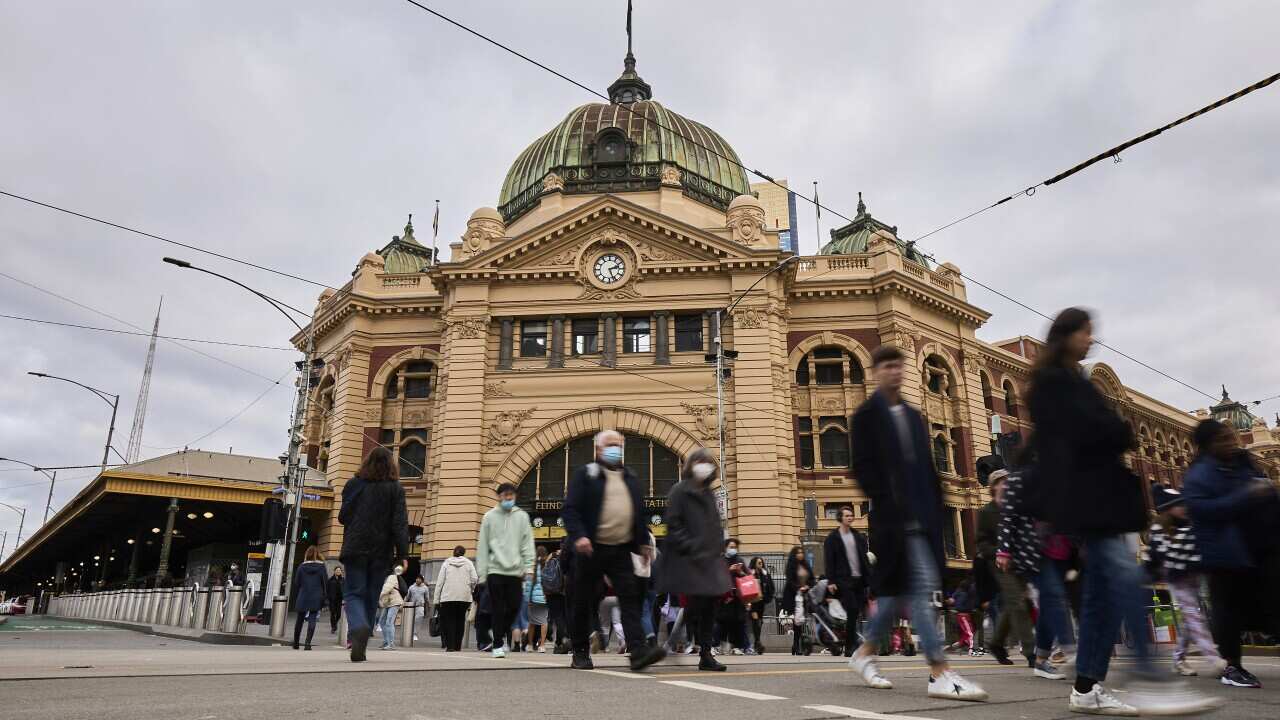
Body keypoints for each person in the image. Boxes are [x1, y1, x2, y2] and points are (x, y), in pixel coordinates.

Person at [1028, 308, 1216, 715]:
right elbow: (1088, 435)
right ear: (1067, 335)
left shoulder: (1071, 381)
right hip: (1089, 501)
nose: (1091, 340)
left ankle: (1085, 687)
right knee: (1127, 584)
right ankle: (1151, 679)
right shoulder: (1052, 383)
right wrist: (1114, 431)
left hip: (1100, 501)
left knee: (1100, 599)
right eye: (1085, 332)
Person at [847, 344, 987, 702]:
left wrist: (935, 510)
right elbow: (861, 467)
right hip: (895, 521)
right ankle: (939, 671)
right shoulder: (865, 416)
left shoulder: (913, 416)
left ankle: (864, 654)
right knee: (920, 592)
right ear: (875, 371)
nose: (895, 372)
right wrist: (890, 500)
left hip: (921, 518)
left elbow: (928, 468)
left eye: (899, 365)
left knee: (897, 596)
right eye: (888, 366)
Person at [1184, 419, 1280, 689]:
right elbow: (1203, 510)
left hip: (1259, 547)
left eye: (1231, 436)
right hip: (1222, 553)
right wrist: (1248, 495)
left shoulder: (1244, 462)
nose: (1230, 442)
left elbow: (1266, 495)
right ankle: (1232, 667)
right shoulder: (1198, 475)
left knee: (1270, 602)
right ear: (1207, 445)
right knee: (1229, 612)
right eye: (1222, 439)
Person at [562, 430, 666, 672]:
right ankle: (580, 651)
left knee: (631, 599)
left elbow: (637, 514)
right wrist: (579, 537)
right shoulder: (586, 475)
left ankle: (639, 652)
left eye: (619, 445)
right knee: (582, 601)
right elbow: (570, 510)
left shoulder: (630, 477)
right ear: (598, 449)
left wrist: (643, 543)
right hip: (590, 549)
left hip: (621, 549)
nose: (615, 449)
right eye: (610, 445)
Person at [654, 448, 733, 671]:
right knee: (694, 606)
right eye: (699, 461)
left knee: (707, 608)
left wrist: (718, 548)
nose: (703, 465)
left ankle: (705, 652)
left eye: (707, 462)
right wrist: (692, 547)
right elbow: (674, 525)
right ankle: (673, 645)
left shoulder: (708, 492)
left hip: (709, 560)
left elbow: (716, 525)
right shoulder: (679, 491)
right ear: (691, 465)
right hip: (689, 560)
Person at [1144, 486, 1226, 678]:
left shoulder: (1189, 524)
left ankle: (1178, 660)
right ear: (1167, 508)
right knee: (1195, 618)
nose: (1182, 507)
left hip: (1194, 577)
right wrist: (1149, 574)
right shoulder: (1159, 528)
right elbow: (1155, 556)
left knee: (1190, 621)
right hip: (1177, 579)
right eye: (1178, 505)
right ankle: (1214, 658)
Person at [338, 446, 409, 662]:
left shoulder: (354, 484)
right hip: (381, 550)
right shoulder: (396, 489)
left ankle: (357, 627)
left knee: (353, 593)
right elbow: (400, 524)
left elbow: (343, 516)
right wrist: (402, 553)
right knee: (371, 595)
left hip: (355, 547)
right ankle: (364, 634)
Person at [978, 470, 1036, 668]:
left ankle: (996, 643)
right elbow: (981, 542)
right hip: (999, 564)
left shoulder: (1016, 508)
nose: (1007, 485)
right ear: (993, 486)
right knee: (1018, 603)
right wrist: (1000, 552)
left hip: (1020, 561)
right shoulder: (986, 512)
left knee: (1021, 603)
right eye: (1003, 482)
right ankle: (1031, 653)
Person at [476, 482, 535, 658]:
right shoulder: (489, 517)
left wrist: (529, 566)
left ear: (514, 496)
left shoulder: (522, 517)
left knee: (514, 607)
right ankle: (498, 645)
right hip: (495, 570)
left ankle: (498, 631)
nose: (508, 498)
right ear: (499, 497)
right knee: (498, 608)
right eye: (504, 495)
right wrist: (482, 573)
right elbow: (483, 546)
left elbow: (527, 543)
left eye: (511, 495)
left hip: (515, 571)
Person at [823, 505, 870, 657]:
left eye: (851, 515)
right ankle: (850, 646)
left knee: (855, 613)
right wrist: (831, 581)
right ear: (840, 518)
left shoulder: (858, 536)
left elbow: (864, 558)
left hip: (859, 580)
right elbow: (829, 561)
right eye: (847, 515)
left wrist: (869, 577)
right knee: (852, 609)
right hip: (844, 580)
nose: (850, 517)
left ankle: (852, 642)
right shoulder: (832, 538)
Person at [433, 545, 478, 652]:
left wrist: (436, 599)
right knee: (460, 620)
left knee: (449, 621)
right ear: (464, 553)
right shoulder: (469, 563)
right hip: (464, 597)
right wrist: (469, 588)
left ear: (454, 552)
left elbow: (440, 582)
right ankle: (458, 645)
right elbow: (475, 579)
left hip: (448, 597)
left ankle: (450, 646)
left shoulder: (446, 563)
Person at [291, 546, 328, 650]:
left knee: (299, 619)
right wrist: (325, 596)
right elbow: (325, 582)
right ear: (317, 554)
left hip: (303, 595)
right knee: (312, 618)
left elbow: (297, 582)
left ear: (307, 554)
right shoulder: (322, 567)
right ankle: (307, 643)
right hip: (316, 596)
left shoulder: (301, 566)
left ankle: (296, 643)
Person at [747, 556, 775, 654]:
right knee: (755, 621)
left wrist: (768, 597)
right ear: (754, 563)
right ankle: (757, 642)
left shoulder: (765, 574)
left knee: (760, 621)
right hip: (753, 602)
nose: (761, 564)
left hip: (761, 602)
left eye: (761, 562)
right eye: (759, 563)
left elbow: (771, 587)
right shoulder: (750, 573)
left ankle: (757, 642)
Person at [377, 560, 406, 650]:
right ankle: (386, 641)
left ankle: (391, 643)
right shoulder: (389, 577)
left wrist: (379, 596)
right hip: (389, 602)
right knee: (382, 621)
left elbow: (387, 588)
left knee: (389, 622)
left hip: (395, 601)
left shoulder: (392, 577)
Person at [525, 547, 549, 652]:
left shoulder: (533, 567)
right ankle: (542, 645)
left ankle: (530, 644)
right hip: (544, 598)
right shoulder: (547, 566)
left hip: (533, 599)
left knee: (532, 622)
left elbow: (529, 584)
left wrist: (528, 599)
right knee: (544, 621)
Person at [406, 576, 430, 643]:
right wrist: (403, 604)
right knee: (411, 620)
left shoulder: (425, 588)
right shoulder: (411, 587)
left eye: (419, 579)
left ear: (422, 580)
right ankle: (409, 633)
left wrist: (428, 608)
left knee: (418, 619)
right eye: (416, 578)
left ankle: (415, 634)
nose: (417, 580)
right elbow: (408, 596)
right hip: (412, 606)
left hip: (420, 606)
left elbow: (427, 598)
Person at [327, 565, 345, 634]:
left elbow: (345, 589)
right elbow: (327, 590)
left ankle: (335, 623)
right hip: (332, 599)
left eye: (339, 570)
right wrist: (327, 599)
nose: (338, 571)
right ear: (334, 571)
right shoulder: (330, 580)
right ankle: (333, 627)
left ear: (341, 572)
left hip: (339, 600)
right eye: (337, 570)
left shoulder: (343, 580)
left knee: (338, 614)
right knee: (332, 613)